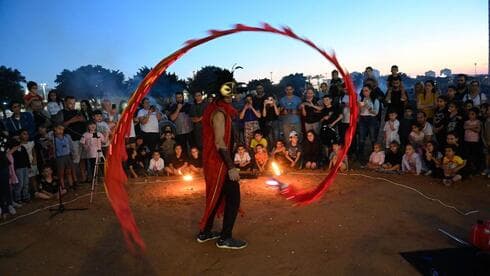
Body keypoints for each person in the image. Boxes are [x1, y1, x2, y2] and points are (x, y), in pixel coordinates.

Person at [198, 70, 247, 249]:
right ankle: (225, 238)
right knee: (233, 197)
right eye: (228, 91)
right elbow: (219, 142)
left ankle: (205, 232)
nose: (232, 95)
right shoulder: (219, 113)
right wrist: (231, 167)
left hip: (214, 161)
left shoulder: (217, 108)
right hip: (219, 163)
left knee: (217, 195)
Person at [54, 96, 85, 185]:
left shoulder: (77, 112)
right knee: (74, 160)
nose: (72, 105)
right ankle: (74, 180)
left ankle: (83, 177)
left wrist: (82, 119)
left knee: (82, 159)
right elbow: (60, 127)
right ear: (65, 103)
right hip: (71, 139)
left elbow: (84, 121)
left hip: (81, 138)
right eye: (70, 103)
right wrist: (72, 120)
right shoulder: (61, 113)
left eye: (74, 103)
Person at [357, 85, 380, 163]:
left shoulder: (375, 100)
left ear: (370, 91)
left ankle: (374, 157)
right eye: (363, 91)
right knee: (361, 139)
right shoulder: (361, 99)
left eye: (366, 90)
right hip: (363, 119)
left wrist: (367, 106)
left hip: (372, 119)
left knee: (373, 138)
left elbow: (376, 112)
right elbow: (360, 112)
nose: (364, 92)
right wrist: (359, 107)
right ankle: (361, 158)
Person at [53, 124, 75, 190]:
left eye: (62, 129)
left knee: (69, 171)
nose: (60, 131)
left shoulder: (66, 137)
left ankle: (71, 184)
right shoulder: (53, 139)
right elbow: (53, 149)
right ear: (55, 129)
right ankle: (63, 186)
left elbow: (70, 146)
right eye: (59, 129)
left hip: (67, 156)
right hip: (60, 157)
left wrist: (72, 153)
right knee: (61, 173)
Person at [463, 107, 482, 174]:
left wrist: (469, 127)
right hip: (467, 140)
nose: (470, 116)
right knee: (468, 155)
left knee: (475, 155)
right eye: (469, 114)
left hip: (474, 141)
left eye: (472, 114)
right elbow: (465, 127)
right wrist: (474, 127)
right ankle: (469, 168)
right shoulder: (466, 121)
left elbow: (478, 130)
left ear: (476, 115)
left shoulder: (478, 121)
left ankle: (476, 169)